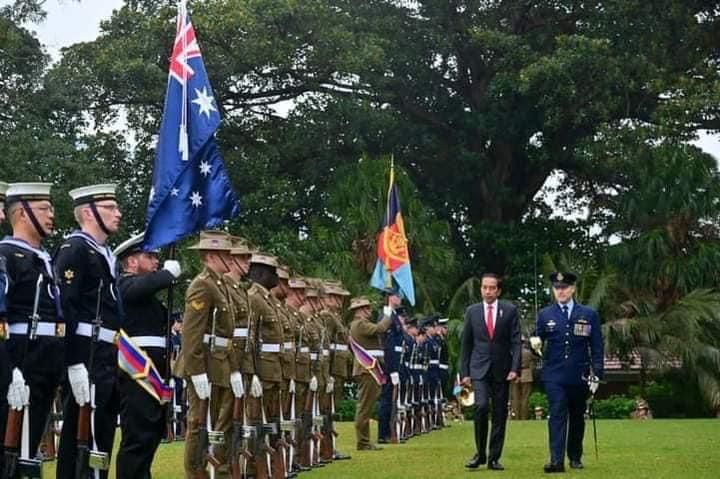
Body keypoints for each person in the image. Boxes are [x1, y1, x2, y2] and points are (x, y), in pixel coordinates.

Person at [55, 184, 123, 479]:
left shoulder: (105, 252)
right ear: (87, 212)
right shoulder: (75, 249)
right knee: (79, 438)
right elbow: (66, 308)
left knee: (102, 434)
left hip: (107, 353)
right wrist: (73, 362)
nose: (118, 213)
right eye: (111, 208)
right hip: (87, 351)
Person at [0, 183, 65, 472]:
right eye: (43, 209)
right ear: (23, 214)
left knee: (29, 451)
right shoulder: (7, 255)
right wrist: (9, 369)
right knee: (7, 450)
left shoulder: (44, 259)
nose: (51, 215)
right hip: (19, 360)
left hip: (45, 364)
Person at [113, 232, 181, 479]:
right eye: (150, 256)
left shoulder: (148, 298)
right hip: (136, 372)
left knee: (150, 434)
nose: (156, 262)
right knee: (137, 436)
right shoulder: (123, 284)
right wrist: (165, 276)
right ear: (131, 262)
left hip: (154, 374)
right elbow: (139, 288)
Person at [173, 231, 235, 478]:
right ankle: (195, 473)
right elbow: (191, 333)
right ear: (210, 256)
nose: (230, 259)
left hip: (216, 361)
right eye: (225, 254)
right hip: (202, 363)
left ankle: (215, 470)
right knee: (198, 424)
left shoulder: (219, 284)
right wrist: (196, 371)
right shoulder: (202, 284)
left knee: (213, 423)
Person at [530, 271, 604, 473]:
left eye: (564, 288)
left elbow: (597, 346)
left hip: (579, 375)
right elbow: (536, 342)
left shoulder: (588, 315)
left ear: (572, 289)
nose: (560, 291)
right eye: (557, 288)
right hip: (554, 375)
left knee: (577, 416)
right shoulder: (545, 315)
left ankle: (575, 456)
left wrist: (597, 374)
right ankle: (556, 459)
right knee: (557, 413)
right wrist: (533, 343)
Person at [460, 273, 521, 471]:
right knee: (481, 406)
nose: (488, 291)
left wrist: (514, 368)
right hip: (478, 369)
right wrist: (465, 373)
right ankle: (480, 454)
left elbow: (516, 342)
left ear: (498, 290)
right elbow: (466, 344)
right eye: (485, 287)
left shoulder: (510, 310)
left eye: (492, 288)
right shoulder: (472, 311)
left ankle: (494, 457)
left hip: (502, 370)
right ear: (481, 289)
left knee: (500, 413)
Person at [349, 296, 394, 451]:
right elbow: (380, 329)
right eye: (366, 308)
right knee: (364, 407)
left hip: (369, 368)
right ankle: (362, 442)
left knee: (366, 406)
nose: (369, 311)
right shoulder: (360, 324)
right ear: (359, 310)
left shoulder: (361, 324)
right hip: (366, 368)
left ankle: (365, 440)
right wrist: (388, 314)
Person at [378, 291, 404, 444]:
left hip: (394, 362)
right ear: (390, 298)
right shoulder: (386, 315)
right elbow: (387, 344)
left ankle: (388, 432)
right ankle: (383, 434)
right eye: (397, 296)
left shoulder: (393, 315)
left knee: (390, 399)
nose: (399, 299)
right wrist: (392, 368)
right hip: (389, 363)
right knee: (386, 399)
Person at [510, 336, 535, 420]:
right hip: (526, 374)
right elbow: (533, 364)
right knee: (525, 398)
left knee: (515, 398)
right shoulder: (528, 352)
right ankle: (524, 418)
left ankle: (517, 418)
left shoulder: (512, 352)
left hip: (515, 375)